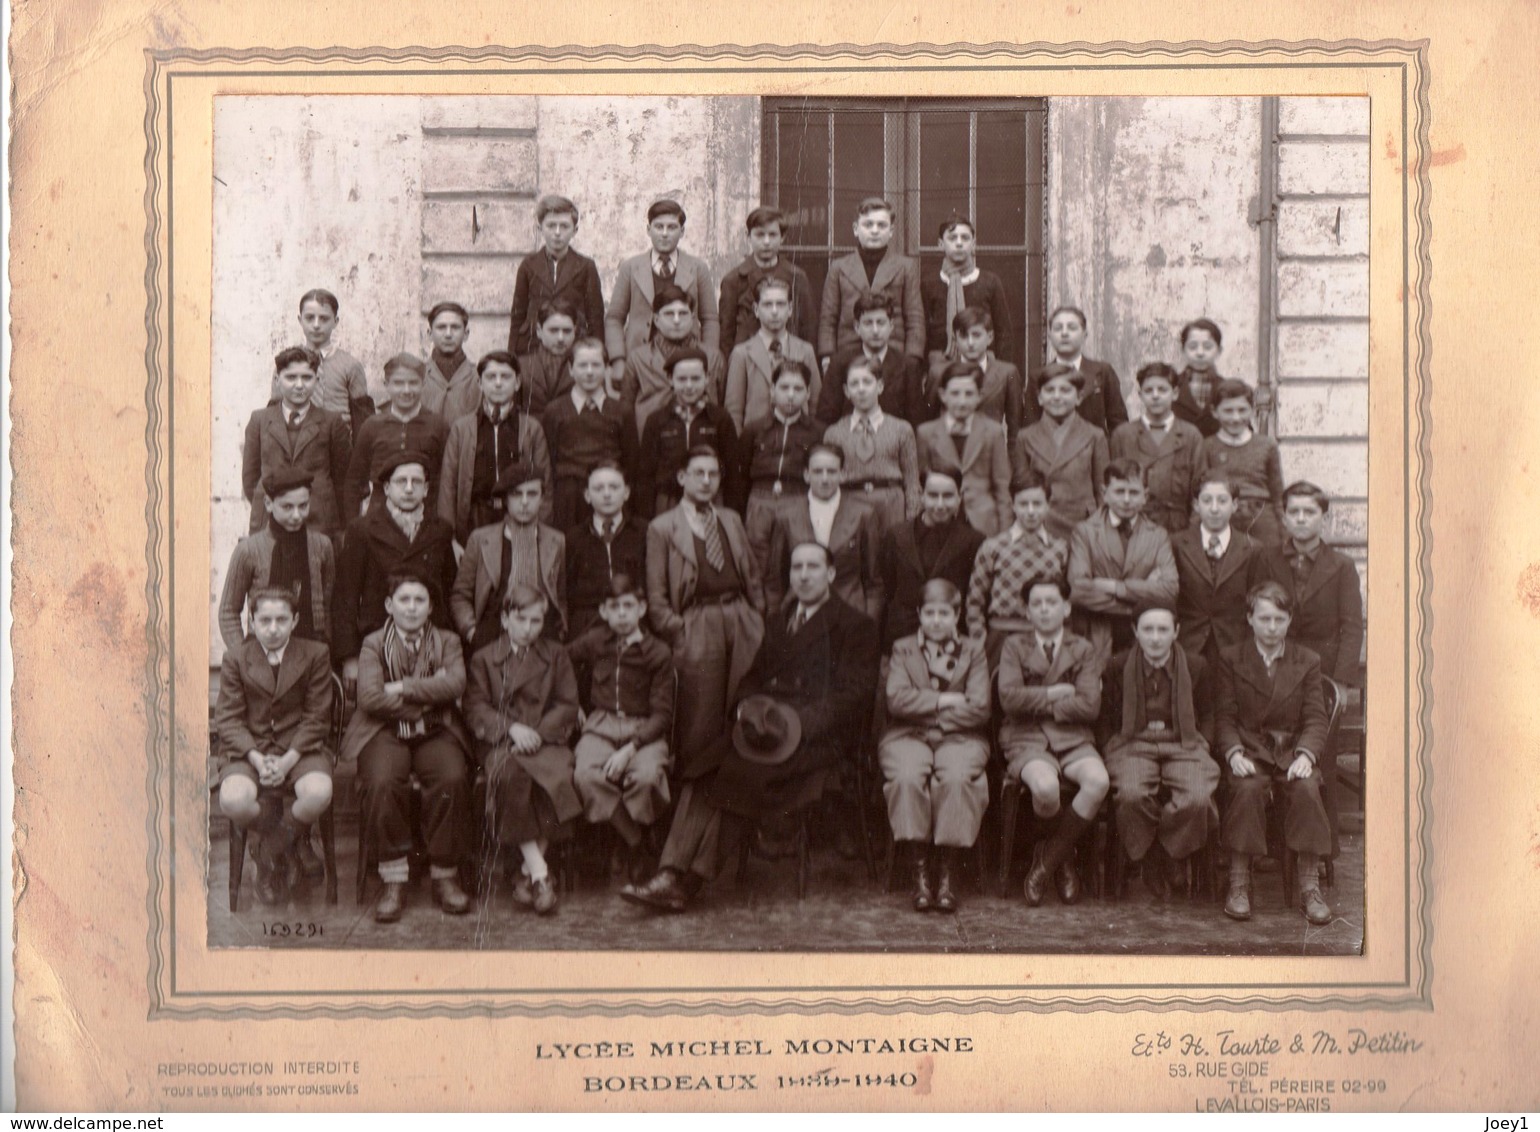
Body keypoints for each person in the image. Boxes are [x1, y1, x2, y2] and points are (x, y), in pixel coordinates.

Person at [623, 541, 877, 912]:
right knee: (705, 764)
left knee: (739, 773)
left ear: (831, 574)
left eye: (813, 568)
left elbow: (852, 698)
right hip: (768, 728)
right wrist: (745, 707)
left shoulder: (855, 626)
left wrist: (796, 725)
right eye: (797, 568)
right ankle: (670, 873)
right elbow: (753, 677)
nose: (804, 576)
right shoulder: (778, 623)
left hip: (816, 739)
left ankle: (687, 881)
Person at [339, 570, 474, 923]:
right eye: (404, 600)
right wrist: (430, 689)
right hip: (383, 729)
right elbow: (369, 698)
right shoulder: (372, 643)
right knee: (382, 781)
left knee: (452, 776)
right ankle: (393, 880)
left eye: (420, 601)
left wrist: (399, 687)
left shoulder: (448, 641)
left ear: (431, 608)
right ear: (389, 605)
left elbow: (456, 685)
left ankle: (445, 875)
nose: (412, 608)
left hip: (435, 729)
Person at [1215, 581, 1334, 925]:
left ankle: (1309, 886)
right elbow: (1224, 716)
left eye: (1279, 619)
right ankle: (1239, 883)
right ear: (1249, 618)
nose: (1271, 628)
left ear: (1290, 620)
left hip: (1291, 751)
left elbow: (1315, 717)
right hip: (1250, 749)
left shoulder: (1307, 660)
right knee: (1247, 788)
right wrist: (1233, 752)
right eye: (1264, 618)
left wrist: (1306, 755)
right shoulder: (1231, 658)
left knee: (1307, 788)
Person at [645, 446, 766, 778]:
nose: (707, 481)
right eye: (698, 473)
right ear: (682, 477)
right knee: (700, 716)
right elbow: (655, 595)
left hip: (740, 618)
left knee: (743, 705)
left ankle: (741, 790)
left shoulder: (730, 518)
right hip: (697, 623)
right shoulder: (663, 527)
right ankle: (695, 796)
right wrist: (678, 630)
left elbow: (752, 576)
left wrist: (757, 618)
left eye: (713, 474)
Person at [463, 585, 582, 916]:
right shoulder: (484, 659)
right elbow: (476, 707)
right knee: (511, 776)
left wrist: (538, 734)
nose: (529, 628)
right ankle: (541, 875)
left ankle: (526, 873)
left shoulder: (556, 654)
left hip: (546, 741)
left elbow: (567, 703)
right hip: (503, 743)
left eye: (537, 620)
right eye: (521, 619)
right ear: (504, 618)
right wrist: (511, 728)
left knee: (559, 780)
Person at [213, 586, 335, 905]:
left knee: (319, 792)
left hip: (300, 749)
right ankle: (287, 844)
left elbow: (318, 717)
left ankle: (268, 849)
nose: (273, 628)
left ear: (295, 621)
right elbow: (227, 719)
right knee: (233, 800)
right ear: (251, 622)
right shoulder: (236, 658)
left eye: (282, 619)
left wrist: (287, 760)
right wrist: (255, 758)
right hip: (248, 750)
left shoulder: (315, 654)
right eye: (264, 620)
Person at [880, 579, 991, 913]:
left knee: (957, 779)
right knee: (906, 777)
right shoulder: (903, 649)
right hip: (906, 736)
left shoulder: (973, 650)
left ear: (957, 614)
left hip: (959, 736)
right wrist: (946, 698)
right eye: (929, 613)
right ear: (919, 614)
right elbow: (896, 700)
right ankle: (919, 871)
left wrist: (930, 713)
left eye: (944, 613)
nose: (937, 620)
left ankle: (947, 871)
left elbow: (980, 706)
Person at [996, 575, 1107, 906]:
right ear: (1027, 612)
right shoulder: (1014, 646)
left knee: (1098, 781)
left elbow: (1090, 705)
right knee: (1045, 788)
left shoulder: (1083, 649)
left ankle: (1048, 860)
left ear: (1067, 607)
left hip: (1073, 738)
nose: (1045, 610)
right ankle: (1065, 860)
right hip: (1025, 737)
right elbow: (1009, 699)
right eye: (1037, 604)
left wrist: (1036, 702)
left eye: (1052, 602)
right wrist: (1054, 693)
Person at [1100, 603, 1219, 899]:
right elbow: (1105, 717)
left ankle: (1165, 852)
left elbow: (1208, 714)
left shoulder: (1195, 665)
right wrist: (1110, 747)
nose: (1155, 637)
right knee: (1131, 794)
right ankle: (1151, 857)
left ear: (1176, 631)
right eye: (1148, 629)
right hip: (1133, 742)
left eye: (1163, 629)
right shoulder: (1118, 666)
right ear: (1135, 632)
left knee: (1198, 797)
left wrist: (1201, 741)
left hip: (1182, 742)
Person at [566, 574, 675, 883]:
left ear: (642, 609)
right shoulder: (595, 641)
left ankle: (628, 835)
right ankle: (636, 841)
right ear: (603, 612)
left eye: (629, 606)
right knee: (585, 775)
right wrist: (570, 700)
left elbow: (662, 714)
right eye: (614, 607)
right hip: (601, 724)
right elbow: (561, 660)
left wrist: (631, 749)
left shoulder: (658, 653)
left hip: (643, 730)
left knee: (644, 778)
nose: (622, 614)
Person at [332, 453, 458, 696]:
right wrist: (349, 657)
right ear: (387, 488)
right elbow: (345, 598)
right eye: (401, 482)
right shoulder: (362, 530)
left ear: (427, 489)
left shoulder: (440, 531)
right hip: (378, 645)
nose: (409, 489)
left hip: (427, 645)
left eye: (416, 482)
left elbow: (449, 595)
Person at [1067, 458, 1179, 664]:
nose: (1127, 500)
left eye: (1134, 492)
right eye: (1119, 492)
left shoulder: (1158, 535)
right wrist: (1141, 601)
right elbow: (1078, 590)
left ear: (1145, 496)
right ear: (1104, 493)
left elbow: (1170, 590)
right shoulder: (1085, 532)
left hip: (1142, 637)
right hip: (1097, 632)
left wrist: (1113, 586)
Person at [1253, 481, 1365, 688]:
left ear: (1325, 518)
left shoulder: (1342, 566)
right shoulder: (1266, 559)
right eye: (1294, 512)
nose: (1301, 519)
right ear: (1284, 518)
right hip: (1274, 669)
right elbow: (1253, 615)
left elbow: (1352, 628)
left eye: (1309, 512)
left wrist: (1340, 683)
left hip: (1324, 673)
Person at [436, 351, 552, 547]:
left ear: (517, 383)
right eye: (491, 377)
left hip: (517, 518)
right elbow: (448, 487)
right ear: (480, 383)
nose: (498, 383)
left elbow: (545, 484)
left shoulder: (531, 428)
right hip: (475, 519)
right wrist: (451, 539)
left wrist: (538, 531)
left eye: (505, 377)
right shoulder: (462, 428)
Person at [450, 464, 566, 653]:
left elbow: (561, 596)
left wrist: (560, 632)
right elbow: (460, 595)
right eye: (517, 494)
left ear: (542, 498)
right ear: (505, 499)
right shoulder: (480, 539)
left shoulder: (556, 541)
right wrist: (471, 631)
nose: (525, 502)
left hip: (541, 632)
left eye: (532, 494)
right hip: (492, 633)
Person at [605, 197, 720, 387]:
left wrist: (708, 357)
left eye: (672, 227)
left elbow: (709, 319)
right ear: (648, 230)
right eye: (659, 227)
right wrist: (618, 360)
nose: (665, 234)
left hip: (687, 360)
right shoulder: (631, 267)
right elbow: (614, 318)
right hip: (642, 361)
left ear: (682, 231)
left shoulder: (698, 268)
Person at [765, 443, 884, 623]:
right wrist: (776, 622)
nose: (825, 479)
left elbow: (874, 580)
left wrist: (868, 625)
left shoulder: (863, 513)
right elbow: (775, 579)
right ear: (806, 475)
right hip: (800, 612)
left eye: (832, 471)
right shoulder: (786, 515)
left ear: (843, 474)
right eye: (818, 471)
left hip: (849, 611)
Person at [219, 468, 336, 652]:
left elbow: (328, 605)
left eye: (303, 506)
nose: (297, 515)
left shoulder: (322, 546)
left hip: (312, 651)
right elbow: (228, 612)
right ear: (268, 503)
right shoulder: (248, 550)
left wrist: (325, 651)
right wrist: (244, 656)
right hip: (262, 652)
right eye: (287, 507)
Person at [243, 346, 352, 542]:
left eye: (307, 377)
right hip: (269, 520)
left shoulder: (332, 422)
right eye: (291, 377)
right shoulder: (259, 420)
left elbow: (342, 479)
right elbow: (250, 479)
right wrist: (272, 503)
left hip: (318, 521)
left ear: (317, 381)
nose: (299, 385)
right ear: (277, 380)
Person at [965, 471, 1069, 670]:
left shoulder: (1059, 548)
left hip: (1044, 635)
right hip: (1001, 635)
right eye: (1023, 504)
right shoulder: (993, 547)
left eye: (1037, 504)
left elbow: (1065, 600)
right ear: (1012, 505)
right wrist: (979, 641)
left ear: (1048, 504)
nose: (1030, 511)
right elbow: (974, 601)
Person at [881, 468, 986, 652]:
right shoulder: (897, 535)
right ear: (921, 495)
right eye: (932, 495)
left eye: (947, 496)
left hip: (952, 639)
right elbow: (889, 587)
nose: (939, 504)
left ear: (959, 496)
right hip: (903, 636)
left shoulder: (974, 541)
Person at [735, 359, 823, 575]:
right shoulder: (754, 429)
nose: (791, 395)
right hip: (760, 500)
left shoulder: (817, 432)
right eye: (784, 388)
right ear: (772, 391)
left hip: (798, 499)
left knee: (798, 556)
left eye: (798, 388)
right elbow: (742, 475)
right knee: (756, 560)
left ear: (808, 393)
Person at [540, 336, 637, 531]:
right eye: (583, 365)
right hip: (568, 499)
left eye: (596, 365)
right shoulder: (555, 410)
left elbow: (632, 463)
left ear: (607, 368)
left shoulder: (621, 411)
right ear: (571, 369)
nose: (590, 372)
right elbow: (548, 460)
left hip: (608, 495)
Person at [818, 197, 925, 366]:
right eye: (868, 225)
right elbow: (828, 318)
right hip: (848, 353)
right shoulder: (838, 267)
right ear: (855, 229)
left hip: (894, 354)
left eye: (881, 225)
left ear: (890, 231)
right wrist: (827, 355)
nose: (875, 231)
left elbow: (914, 317)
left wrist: (913, 358)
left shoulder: (905, 267)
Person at [822, 355, 921, 536]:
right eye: (854, 384)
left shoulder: (901, 429)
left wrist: (911, 521)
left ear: (880, 386)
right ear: (846, 391)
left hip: (891, 503)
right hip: (850, 503)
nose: (861, 389)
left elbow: (912, 481)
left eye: (867, 382)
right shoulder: (834, 433)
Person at [341, 352, 449, 519]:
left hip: (425, 518)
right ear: (386, 384)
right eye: (398, 383)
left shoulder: (438, 426)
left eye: (413, 383)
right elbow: (354, 481)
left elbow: (444, 481)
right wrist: (353, 527)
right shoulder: (372, 426)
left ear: (423, 384)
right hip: (379, 518)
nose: (406, 390)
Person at [1173, 476, 1265, 670]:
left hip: (1234, 645)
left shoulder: (1252, 548)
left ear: (1235, 505)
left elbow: (1256, 603)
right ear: (1196, 505)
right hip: (1188, 644)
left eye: (1222, 501)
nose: (1214, 508)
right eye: (1207, 501)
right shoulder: (1177, 544)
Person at [636, 347, 738, 518]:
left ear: (707, 378)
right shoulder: (657, 420)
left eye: (696, 378)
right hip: (669, 503)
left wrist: (731, 513)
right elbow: (645, 475)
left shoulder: (720, 419)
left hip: (710, 501)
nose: (689, 385)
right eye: (682, 379)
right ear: (670, 380)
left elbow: (733, 472)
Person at [618, 284, 728, 441]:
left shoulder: (712, 357)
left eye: (683, 313)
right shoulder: (638, 358)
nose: (677, 320)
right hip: (651, 442)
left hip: (701, 443)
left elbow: (722, 403)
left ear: (692, 318)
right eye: (669, 314)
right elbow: (626, 410)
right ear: (656, 320)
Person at [916, 362, 1013, 537]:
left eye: (969, 394)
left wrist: (1005, 534)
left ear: (980, 396)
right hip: (940, 519)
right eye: (955, 394)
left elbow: (1002, 487)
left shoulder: (992, 431)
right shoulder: (926, 433)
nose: (961, 401)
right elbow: (920, 485)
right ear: (942, 395)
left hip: (982, 521)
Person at [1013, 362, 1108, 541]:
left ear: (1079, 397)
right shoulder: (1025, 437)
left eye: (1065, 390)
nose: (1057, 397)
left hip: (1083, 526)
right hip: (1041, 525)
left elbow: (1102, 491)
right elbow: (1021, 489)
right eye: (1049, 391)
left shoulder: (1095, 435)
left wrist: (1100, 531)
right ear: (1040, 398)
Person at [1109, 362, 1205, 535]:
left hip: (1178, 530)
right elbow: (1111, 486)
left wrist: (1191, 535)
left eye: (1162, 390)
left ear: (1175, 393)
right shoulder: (1123, 435)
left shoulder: (1191, 436)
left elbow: (1200, 491)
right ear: (1140, 395)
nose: (1155, 396)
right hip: (1133, 528)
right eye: (1148, 391)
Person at [508, 194, 606, 359]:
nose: (557, 233)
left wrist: (599, 356)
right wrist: (512, 355)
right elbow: (518, 314)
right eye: (551, 226)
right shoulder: (528, 265)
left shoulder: (585, 266)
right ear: (540, 229)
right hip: (533, 346)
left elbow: (595, 316)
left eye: (564, 226)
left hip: (573, 346)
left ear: (575, 230)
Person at [921, 215, 1018, 378]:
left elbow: (1003, 332)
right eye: (952, 238)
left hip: (983, 365)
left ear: (973, 244)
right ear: (940, 244)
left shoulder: (990, 281)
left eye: (965, 238)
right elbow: (922, 331)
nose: (959, 243)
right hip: (941, 365)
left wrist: (1001, 371)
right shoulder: (929, 283)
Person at [722, 276, 821, 433]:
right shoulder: (742, 354)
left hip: (797, 440)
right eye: (767, 304)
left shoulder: (805, 350)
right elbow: (734, 410)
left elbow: (815, 403)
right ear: (756, 309)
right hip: (757, 443)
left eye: (780, 304)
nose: (774, 311)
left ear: (790, 309)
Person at [269, 288, 372, 437]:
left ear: (335, 322)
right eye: (310, 318)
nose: (316, 325)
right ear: (300, 320)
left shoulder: (350, 365)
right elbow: (274, 412)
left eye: (324, 319)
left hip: (339, 447)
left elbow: (362, 420)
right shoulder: (286, 364)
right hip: (297, 445)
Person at [563, 461, 647, 640]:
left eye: (614, 487)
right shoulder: (573, 539)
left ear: (626, 493)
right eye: (599, 488)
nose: (607, 494)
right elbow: (567, 592)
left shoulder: (643, 532)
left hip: (635, 623)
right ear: (587, 495)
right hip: (587, 627)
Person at [1198, 379, 1285, 549]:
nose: (1236, 417)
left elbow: (1278, 494)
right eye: (1228, 411)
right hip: (1222, 516)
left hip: (1261, 517)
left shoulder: (1267, 445)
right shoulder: (1207, 446)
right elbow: (1200, 490)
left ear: (1252, 410)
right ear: (1215, 412)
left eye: (1242, 410)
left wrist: (1283, 529)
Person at [717, 205, 818, 350]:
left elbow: (808, 327)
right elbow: (726, 333)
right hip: (748, 360)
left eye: (772, 235)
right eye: (759, 235)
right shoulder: (733, 280)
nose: (766, 242)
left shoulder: (797, 277)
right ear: (748, 236)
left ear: (782, 237)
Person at [817, 291, 923, 427]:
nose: (875, 330)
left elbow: (916, 420)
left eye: (881, 323)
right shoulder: (840, 362)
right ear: (857, 327)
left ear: (891, 326)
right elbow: (826, 417)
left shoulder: (908, 366)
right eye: (868, 323)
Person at [1026, 305, 1128, 435]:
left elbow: (1119, 423)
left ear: (1085, 334)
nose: (1064, 333)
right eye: (1058, 328)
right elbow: (1030, 425)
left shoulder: (1103, 371)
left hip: (1096, 451)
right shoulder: (1037, 376)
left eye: (1072, 328)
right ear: (1050, 336)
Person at [945, 306, 1024, 442]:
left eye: (976, 335)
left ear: (990, 337)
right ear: (955, 339)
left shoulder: (1007, 373)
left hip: (990, 455)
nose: (970, 343)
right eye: (963, 336)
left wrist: (1010, 463)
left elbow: (1015, 430)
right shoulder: (941, 371)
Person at [518, 297, 579, 420]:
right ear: (539, 331)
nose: (561, 338)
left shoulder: (585, 366)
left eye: (567, 331)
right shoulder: (521, 365)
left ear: (575, 331)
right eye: (553, 330)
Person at [421, 302, 480, 421]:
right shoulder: (417, 374)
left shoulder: (480, 376)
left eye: (455, 327)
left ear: (466, 334)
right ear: (429, 334)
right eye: (441, 327)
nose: (448, 334)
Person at [1172, 317, 1225, 438]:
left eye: (1207, 347)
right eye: (1192, 346)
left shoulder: (1227, 388)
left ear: (1219, 351)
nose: (1200, 352)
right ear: (1183, 350)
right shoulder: (1171, 386)